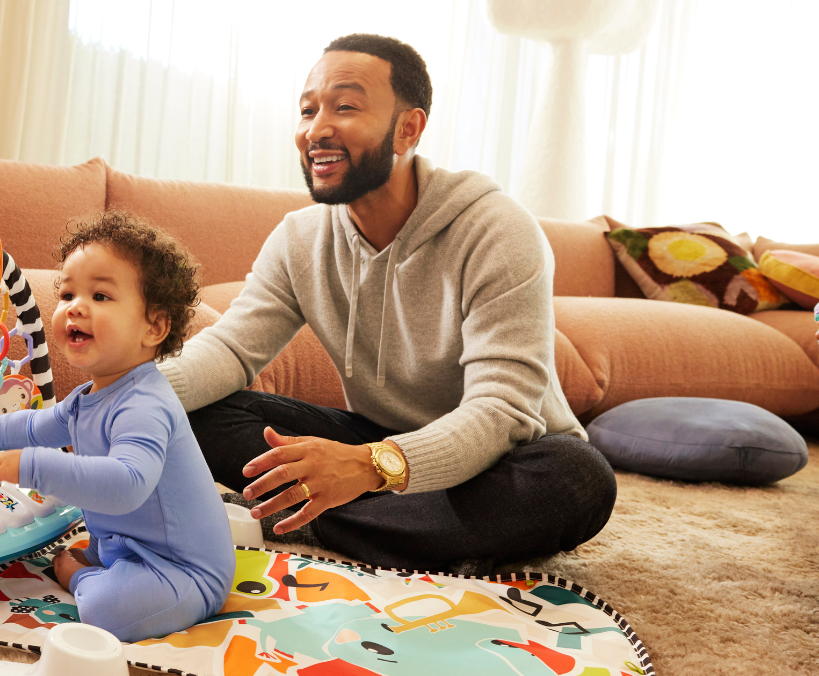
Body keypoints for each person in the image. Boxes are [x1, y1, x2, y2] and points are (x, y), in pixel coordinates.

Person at [156, 34, 617, 574]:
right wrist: (117, 398)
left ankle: (320, 519)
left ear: (408, 128)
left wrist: (369, 466)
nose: (316, 129)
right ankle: (411, 533)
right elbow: (231, 351)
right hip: (380, 441)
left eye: (345, 106)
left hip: (503, 453)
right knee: (196, 409)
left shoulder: (498, 230)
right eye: (308, 110)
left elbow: (500, 413)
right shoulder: (300, 238)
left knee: (580, 481)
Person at [0, 210, 235, 642]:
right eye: (68, 293)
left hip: (184, 573)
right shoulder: (88, 397)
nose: (75, 307)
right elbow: (34, 426)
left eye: (101, 296)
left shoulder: (145, 402)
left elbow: (127, 483)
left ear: (155, 327)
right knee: (104, 559)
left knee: (104, 613)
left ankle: (80, 580)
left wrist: (29, 466)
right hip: (127, 547)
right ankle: (105, 565)